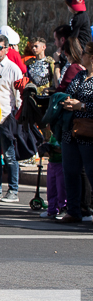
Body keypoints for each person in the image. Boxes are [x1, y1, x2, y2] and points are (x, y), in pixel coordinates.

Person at [58, 42, 93, 224]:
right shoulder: (80, 75)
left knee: (91, 171)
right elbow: (68, 93)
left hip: (89, 132)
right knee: (70, 171)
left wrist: (83, 106)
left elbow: (84, 103)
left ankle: (86, 208)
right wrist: (68, 102)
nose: (82, 55)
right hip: (70, 130)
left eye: (85, 53)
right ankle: (73, 211)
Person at [0, 35, 23, 203]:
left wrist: (16, 117)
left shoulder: (12, 68)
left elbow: (18, 95)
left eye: (0, 47)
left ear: (7, 49)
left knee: (9, 155)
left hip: (6, 117)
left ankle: (13, 189)